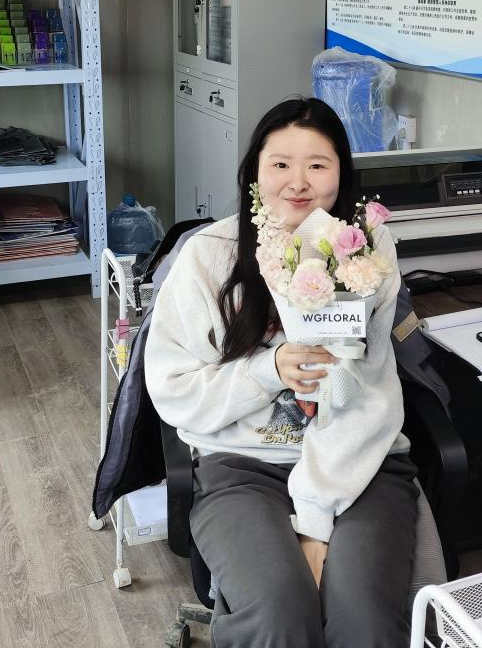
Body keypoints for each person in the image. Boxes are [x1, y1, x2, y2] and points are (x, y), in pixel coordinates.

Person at [145, 97, 417, 648]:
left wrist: (315, 521)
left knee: (363, 619)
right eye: (280, 164)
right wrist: (269, 369)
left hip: (359, 462)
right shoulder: (209, 257)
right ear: (254, 173)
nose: (298, 182)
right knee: (278, 613)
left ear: (341, 173)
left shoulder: (366, 251)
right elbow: (173, 392)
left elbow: (370, 394)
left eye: (318, 164)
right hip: (242, 465)